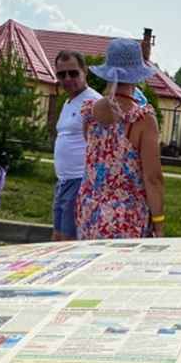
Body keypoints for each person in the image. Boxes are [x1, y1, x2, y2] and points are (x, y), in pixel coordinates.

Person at [76, 38, 164, 240]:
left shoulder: (90, 112)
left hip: (89, 211)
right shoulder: (142, 119)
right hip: (125, 218)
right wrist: (159, 223)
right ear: (137, 77)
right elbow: (153, 178)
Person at [51, 50, 101, 241]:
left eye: (73, 73)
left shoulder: (94, 102)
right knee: (57, 237)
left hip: (80, 181)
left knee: (67, 242)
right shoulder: (68, 102)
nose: (67, 79)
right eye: (61, 74)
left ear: (84, 71)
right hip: (63, 181)